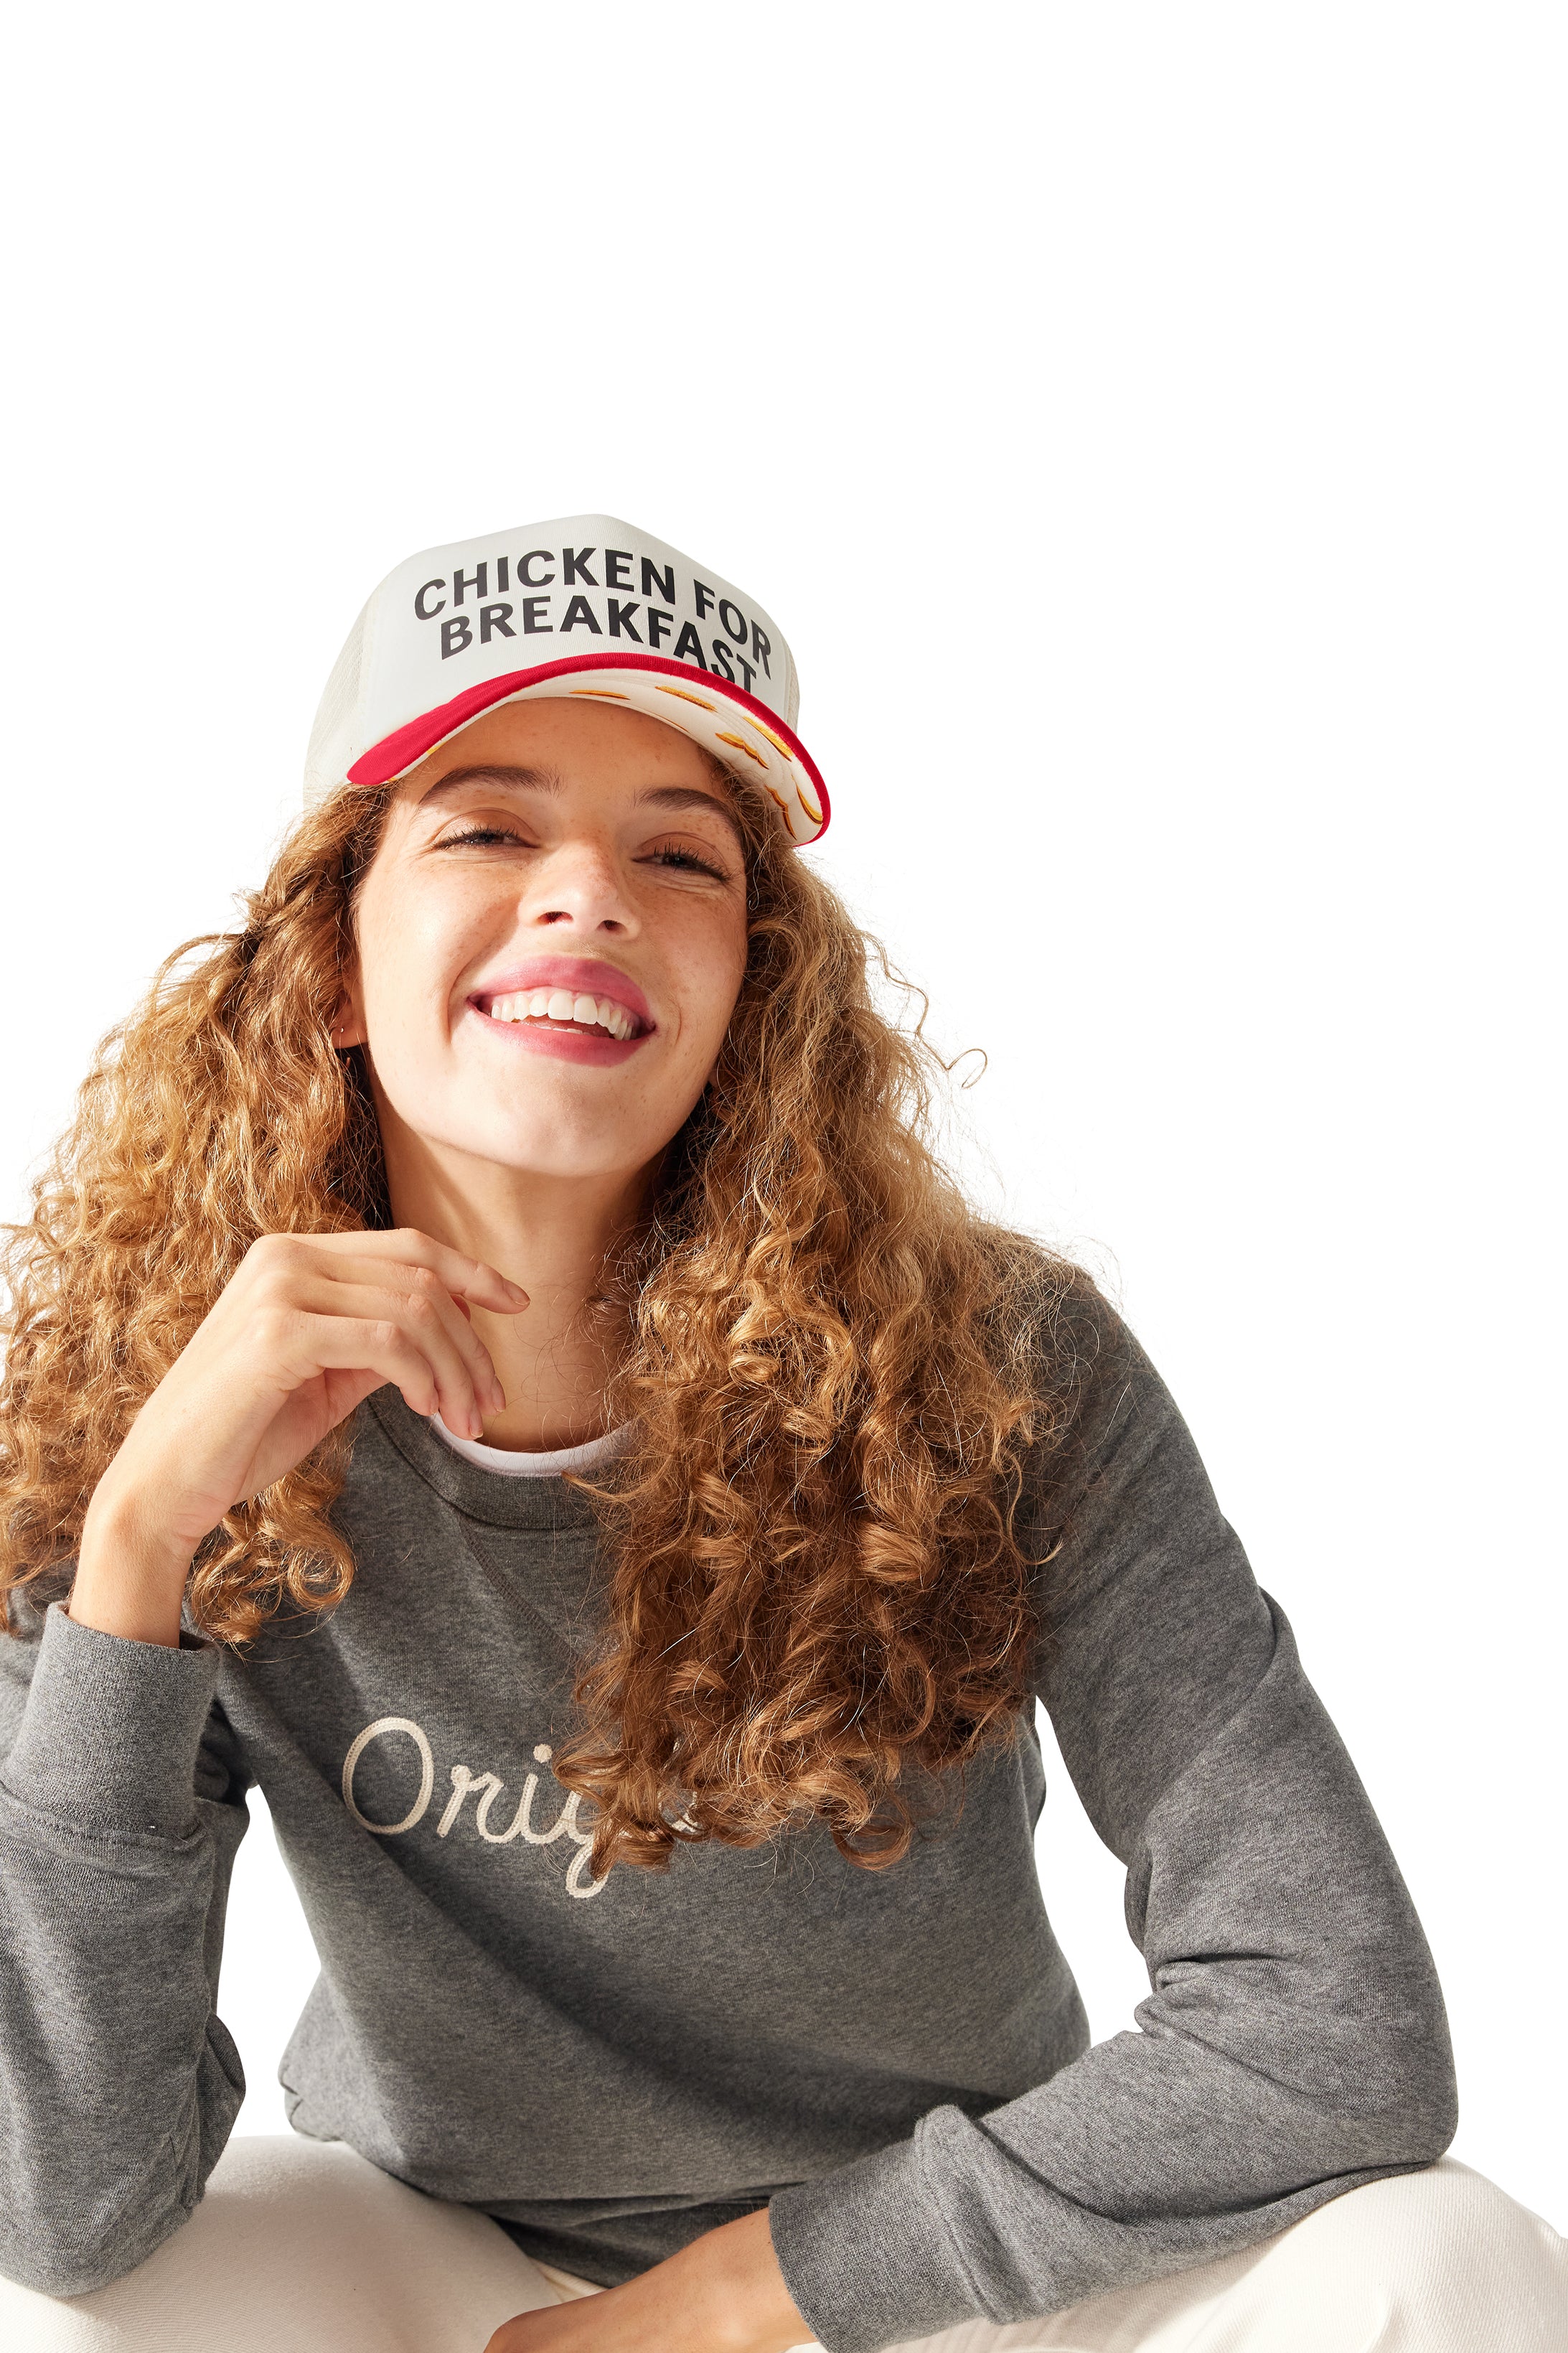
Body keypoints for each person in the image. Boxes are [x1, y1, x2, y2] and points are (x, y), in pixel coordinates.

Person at [0, 516, 1561, 2353]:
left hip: (939, 2270)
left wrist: (744, 2298)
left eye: (678, 856)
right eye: (491, 826)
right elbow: (65, 2202)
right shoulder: (153, 1417)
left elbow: (1334, 2024)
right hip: (442, 2274)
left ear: (748, 994)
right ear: (334, 967)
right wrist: (135, 1558)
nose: (587, 894)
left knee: (1447, 2265)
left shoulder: (1000, 1365)